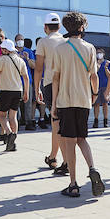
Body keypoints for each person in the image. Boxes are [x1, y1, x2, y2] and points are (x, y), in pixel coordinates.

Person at [51, 12, 104, 198]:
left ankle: (73, 184)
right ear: (82, 27)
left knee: (69, 142)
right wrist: (95, 94)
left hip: (65, 101)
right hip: (84, 101)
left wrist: (53, 104)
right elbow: (94, 76)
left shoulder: (59, 50)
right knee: (82, 139)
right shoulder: (90, 48)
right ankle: (92, 167)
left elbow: (55, 79)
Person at [35, 12, 65, 169]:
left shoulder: (43, 42)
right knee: (62, 123)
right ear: (59, 26)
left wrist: (36, 88)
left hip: (49, 84)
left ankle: (57, 158)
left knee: (56, 123)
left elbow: (39, 68)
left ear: (45, 27)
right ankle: (53, 155)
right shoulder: (66, 41)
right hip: (66, 85)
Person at [0, 38, 27, 152]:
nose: (1, 50)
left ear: (7, 49)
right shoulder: (20, 60)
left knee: (1, 115)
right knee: (13, 117)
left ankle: (9, 134)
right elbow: (26, 78)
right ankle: (13, 141)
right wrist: (26, 92)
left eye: (3, 48)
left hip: (6, 91)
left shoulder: (3, 59)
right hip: (18, 91)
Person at [93, 47, 110, 127]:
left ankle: (105, 121)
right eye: (97, 53)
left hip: (105, 86)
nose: (99, 54)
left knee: (105, 103)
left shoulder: (107, 63)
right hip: (97, 86)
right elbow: (93, 73)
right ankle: (96, 121)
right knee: (96, 104)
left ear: (103, 54)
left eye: (100, 52)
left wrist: (105, 68)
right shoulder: (94, 63)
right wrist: (97, 65)